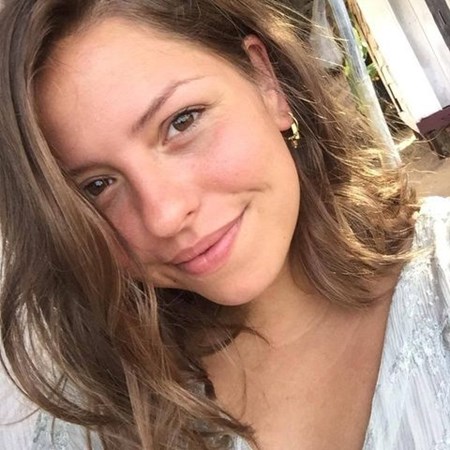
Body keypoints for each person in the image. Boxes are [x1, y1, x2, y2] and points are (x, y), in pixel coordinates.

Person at [0, 0, 449, 449]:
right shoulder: (92, 415)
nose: (164, 216)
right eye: (97, 185)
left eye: (181, 122)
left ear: (266, 82)